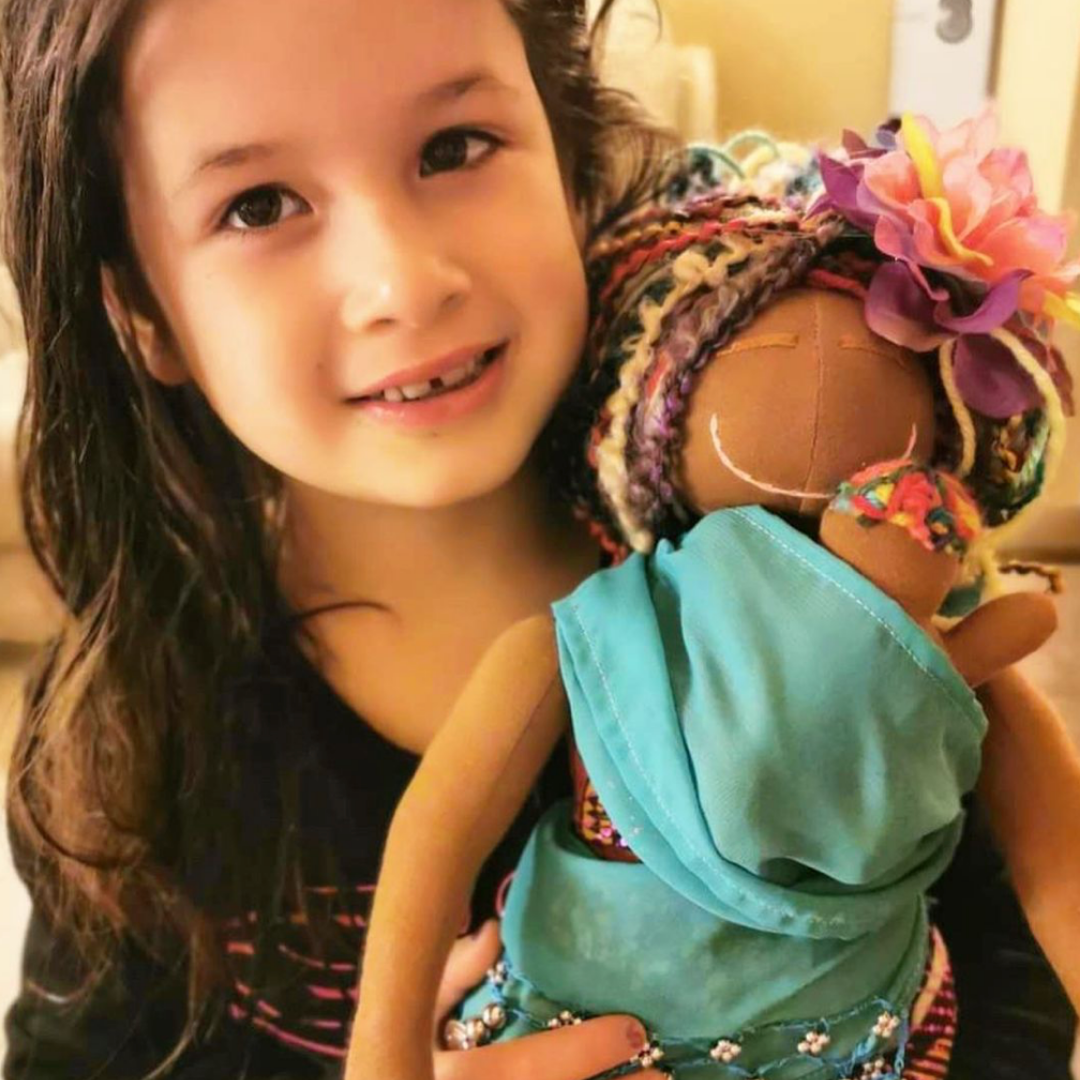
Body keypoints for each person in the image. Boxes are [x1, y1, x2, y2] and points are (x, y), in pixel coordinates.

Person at [0, 1, 1072, 1079]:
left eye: (453, 147)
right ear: (140, 310)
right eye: (258, 205)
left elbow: (1015, 978)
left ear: (569, 158)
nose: (404, 281)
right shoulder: (130, 734)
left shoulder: (797, 582)